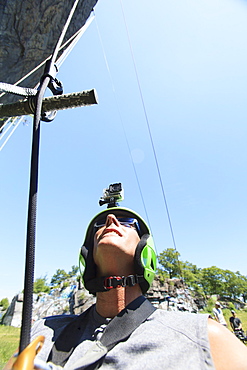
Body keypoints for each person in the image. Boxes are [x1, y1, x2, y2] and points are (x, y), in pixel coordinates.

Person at [8, 202, 247, 369]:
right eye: (99, 225)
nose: (111, 220)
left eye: (126, 221)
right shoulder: (42, 331)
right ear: (88, 255)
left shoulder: (204, 336)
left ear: (146, 251)